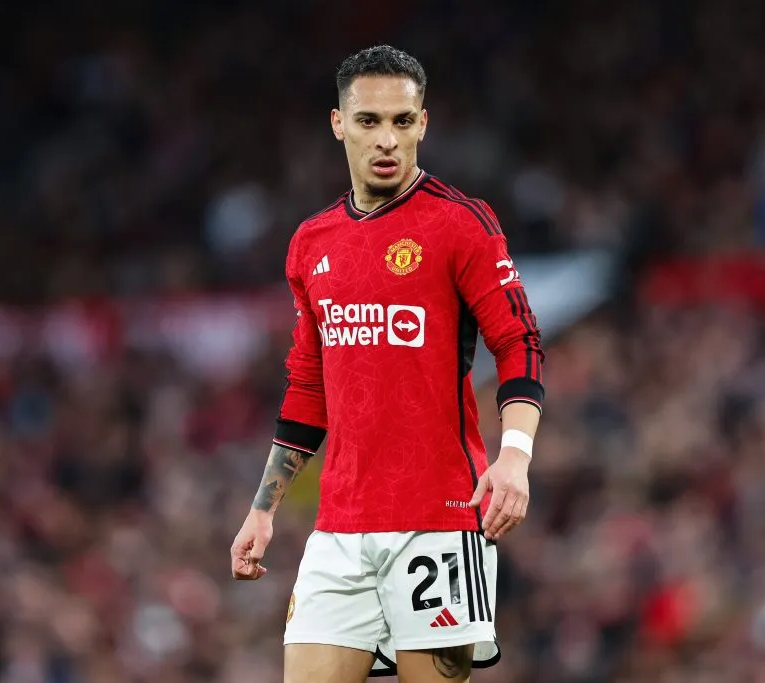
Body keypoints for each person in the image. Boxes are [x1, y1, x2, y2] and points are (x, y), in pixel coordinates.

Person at [230, 45, 545, 683]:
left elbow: (520, 342)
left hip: (440, 524)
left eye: (402, 121)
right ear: (338, 124)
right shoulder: (311, 242)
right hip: (339, 530)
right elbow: (307, 388)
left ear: (423, 124)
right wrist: (265, 507)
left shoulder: (462, 225)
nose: (387, 139)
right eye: (369, 121)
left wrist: (516, 454)